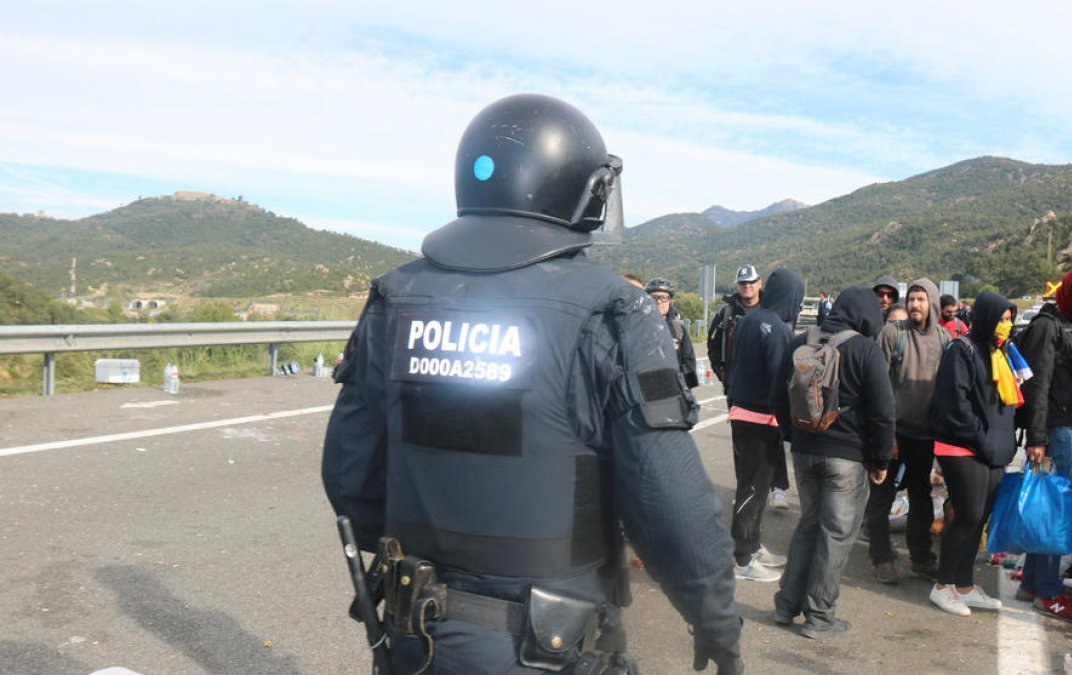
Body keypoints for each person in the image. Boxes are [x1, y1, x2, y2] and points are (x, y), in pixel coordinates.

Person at [321, 93, 742, 674]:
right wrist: (715, 618)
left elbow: (350, 477)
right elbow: (668, 501)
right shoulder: (613, 308)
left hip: (415, 638)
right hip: (547, 647)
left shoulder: (395, 297)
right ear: (579, 187)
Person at [772, 286, 894, 639]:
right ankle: (820, 617)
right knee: (836, 535)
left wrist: (794, 436)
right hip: (847, 457)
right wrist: (881, 460)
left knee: (809, 525)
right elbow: (884, 413)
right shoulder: (865, 350)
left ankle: (786, 605)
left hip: (805, 451)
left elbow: (776, 396)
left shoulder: (799, 342)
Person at [1014, 264, 1072, 623]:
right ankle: (1048, 591)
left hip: (1069, 428)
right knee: (1053, 512)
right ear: (1069, 292)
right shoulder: (1047, 326)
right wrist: (1037, 437)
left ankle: (1035, 583)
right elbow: (1038, 386)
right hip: (1054, 431)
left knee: (1048, 509)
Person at [927, 292, 1019, 617]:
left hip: (990, 450)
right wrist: (982, 438)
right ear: (985, 317)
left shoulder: (999, 352)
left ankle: (964, 585)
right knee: (966, 514)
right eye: (1001, 319)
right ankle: (942, 585)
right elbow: (955, 403)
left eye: (1010, 319)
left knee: (979, 517)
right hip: (961, 446)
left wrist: (1003, 443)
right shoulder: (960, 350)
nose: (1006, 325)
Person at [863, 278, 948, 586]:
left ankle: (922, 559)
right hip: (892, 434)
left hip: (925, 436)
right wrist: (887, 434)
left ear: (933, 304)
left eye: (921, 299)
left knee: (921, 498)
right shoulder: (891, 334)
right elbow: (876, 385)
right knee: (881, 497)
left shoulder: (944, 339)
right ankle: (882, 558)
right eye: (911, 299)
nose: (914, 304)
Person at [725, 269, 806, 582]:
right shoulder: (774, 327)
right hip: (759, 418)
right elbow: (781, 381)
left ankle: (752, 545)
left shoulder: (751, 319)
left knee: (755, 489)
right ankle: (742, 558)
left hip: (743, 413)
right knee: (753, 490)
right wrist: (791, 425)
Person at [708, 264, 793, 509]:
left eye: (751, 282)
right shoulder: (726, 312)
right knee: (741, 441)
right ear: (738, 285)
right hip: (737, 388)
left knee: (774, 437)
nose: (747, 286)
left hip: (767, 386)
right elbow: (714, 345)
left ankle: (778, 487)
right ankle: (746, 487)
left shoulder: (774, 309)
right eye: (743, 283)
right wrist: (722, 372)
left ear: (760, 283)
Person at [646, 276, 699, 388]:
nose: (659, 301)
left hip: (674, 392)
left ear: (670, 301)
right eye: (654, 297)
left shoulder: (678, 329)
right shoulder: (638, 328)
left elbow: (689, 364)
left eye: (664, 297)